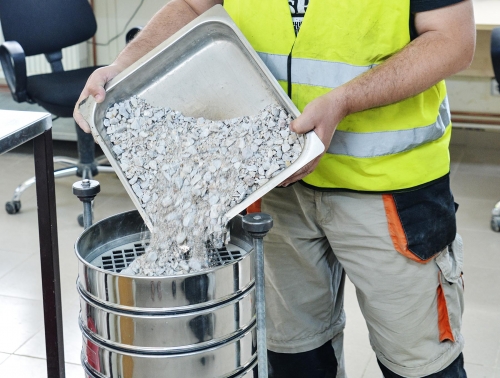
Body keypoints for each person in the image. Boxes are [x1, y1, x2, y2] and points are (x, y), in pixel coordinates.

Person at [74, 0, 476, 377]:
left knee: (420, 362)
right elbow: (193, 4)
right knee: (292, 356)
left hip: (389, 190)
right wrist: (123, 65)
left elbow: (452, 41)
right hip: (273, 186)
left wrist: (345, 100)